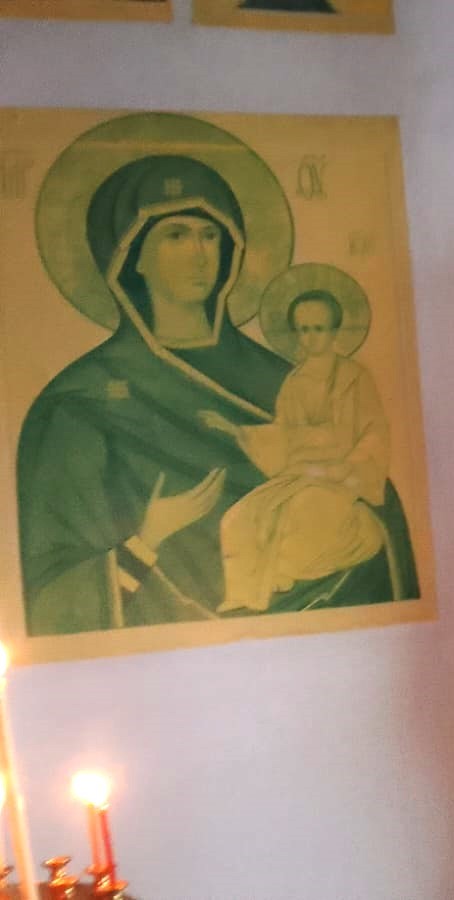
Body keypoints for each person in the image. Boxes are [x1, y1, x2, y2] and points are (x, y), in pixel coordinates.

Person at [17, 155, 417, 635]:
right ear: (133, 256)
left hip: (334, 631)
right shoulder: (78, 401)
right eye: (176, 236)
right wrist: (145, 540)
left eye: (210, 236)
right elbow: (53, 590)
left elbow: (374, 493)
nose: (199, 253)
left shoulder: (293, 377)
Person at [203, 289, 393, 613]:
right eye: (303, 329)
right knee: (236, 519)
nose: (310, 337)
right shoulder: (294, 382)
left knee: (303, 515)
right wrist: (235, 430)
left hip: (339, 478)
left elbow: (373, 433)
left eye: (319, 328)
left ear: (334, 331)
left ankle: (281, 572)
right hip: (297, 475)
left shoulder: (354, 377)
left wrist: (348, 466)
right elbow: (282, 435)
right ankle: (242, 594)